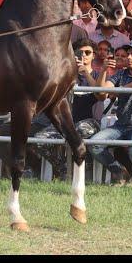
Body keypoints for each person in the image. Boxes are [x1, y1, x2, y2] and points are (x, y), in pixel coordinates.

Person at [32, 39, 105, 180]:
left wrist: (86, 74)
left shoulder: (97, 76)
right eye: (80, 52)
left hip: (91, 122)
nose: (83, 55)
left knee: (78, 132)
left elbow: (100, 95)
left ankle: (85, 171)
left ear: (93, 55)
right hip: (66, 123)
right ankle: (63, 169)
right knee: (40, 139)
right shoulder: (65, 76)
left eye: (88, 52)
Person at [88, 42, 132, 184]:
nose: (129, 57)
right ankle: (119, 172)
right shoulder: (120, 74)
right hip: (120, 126)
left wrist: (121, 89)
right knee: (94, 144)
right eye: (128, 54)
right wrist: (103, 70)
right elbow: (101, 94)